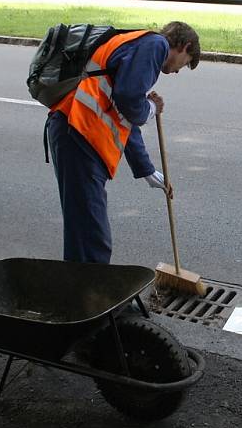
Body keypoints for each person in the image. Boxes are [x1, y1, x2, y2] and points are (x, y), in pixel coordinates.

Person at [46, 21, 200, 264]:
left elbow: (125, 120)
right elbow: (129, 100)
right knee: (90, 235)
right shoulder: (156, 44)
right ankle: (93, 298)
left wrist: (148, 171)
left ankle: (83, 295)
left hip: (78, 137)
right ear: (184, 46)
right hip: (78, 133)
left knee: (85, 231)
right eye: (186, 62)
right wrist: (150, 108)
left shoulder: (140, 47)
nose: (180, 70)